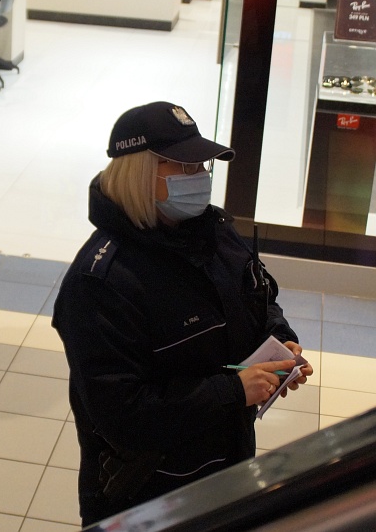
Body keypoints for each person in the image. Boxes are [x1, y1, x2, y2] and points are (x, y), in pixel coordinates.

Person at [52, 101, 314, 528]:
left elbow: (259, 298)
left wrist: (280, 340)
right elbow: (121, 416)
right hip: (146, 494)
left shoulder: (215, 233)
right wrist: (234, 391)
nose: (200, 177)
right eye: (185, 167)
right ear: (141, 173)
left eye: (202, 166)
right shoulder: (101, 283)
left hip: (225, 464)